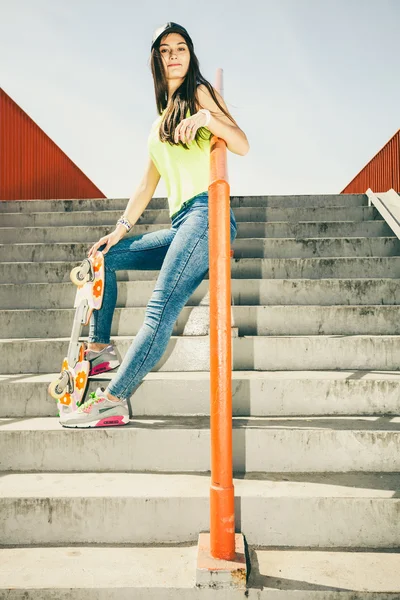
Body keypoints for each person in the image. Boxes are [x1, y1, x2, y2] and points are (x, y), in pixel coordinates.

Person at [60, 22, 250, 428]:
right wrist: (119, 229)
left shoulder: (200, 93)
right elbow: (147, 184)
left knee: (159, 308)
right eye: (166, 50)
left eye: (181, 47)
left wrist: (206, 119)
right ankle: (100, 347)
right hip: (184, 221)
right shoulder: (158, 123)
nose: (175, 54)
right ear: (157, 60)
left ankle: (112, 400)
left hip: (207, 215)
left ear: (190, 54)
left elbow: (241, 143)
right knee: (106, 259)